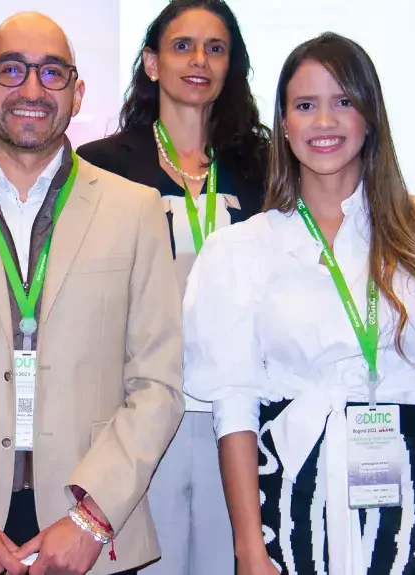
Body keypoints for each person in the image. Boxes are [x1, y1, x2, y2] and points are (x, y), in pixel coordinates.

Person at [184, 33, 415, 575]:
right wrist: (249, 549)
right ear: (284, 124)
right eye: (305, 105)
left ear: (370, 116)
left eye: (343, 101)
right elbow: (235, 408)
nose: (324, 121)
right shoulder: (241, 250)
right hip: (291, 498)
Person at [0, 12, 184, 575]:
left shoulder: (136, 210)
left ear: (77, 92)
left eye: (52, 72)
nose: (32, 90)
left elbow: (157, 383)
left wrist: (91, 519)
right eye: (12, 70)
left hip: (91, 531)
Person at [76, 2, 266, 572]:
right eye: (183, 46)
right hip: (138, 411)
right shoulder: (100, 167)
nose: (199, 60)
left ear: (231, 67)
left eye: (215, 48)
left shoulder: (264, 166)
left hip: (238, 410)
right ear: (152, 63)